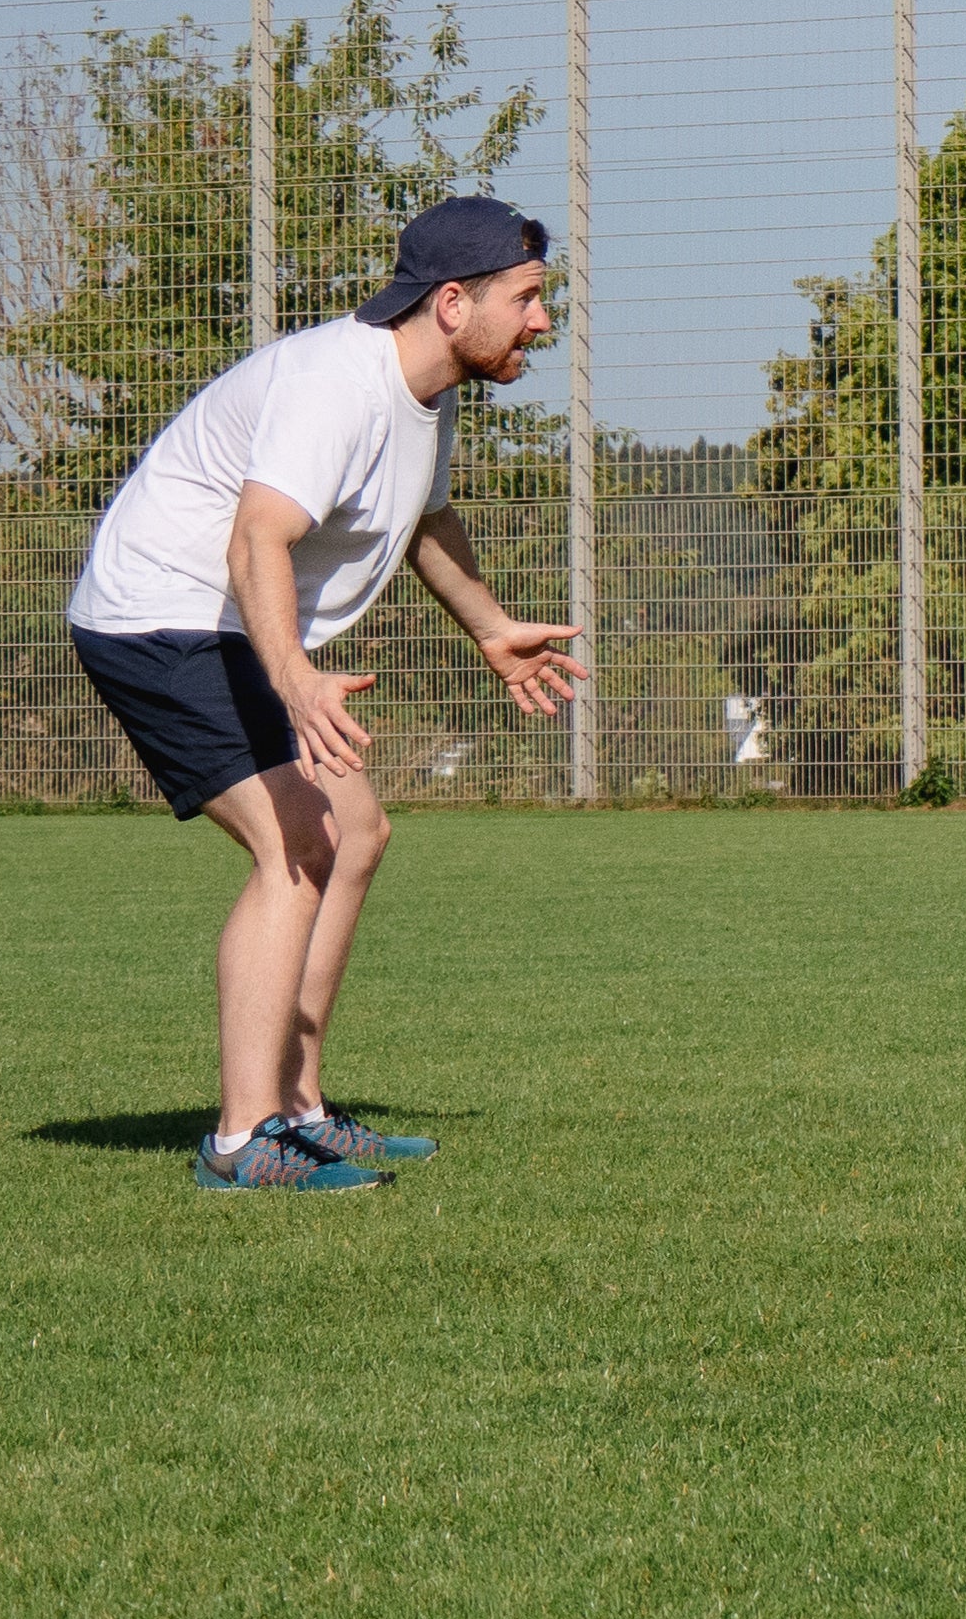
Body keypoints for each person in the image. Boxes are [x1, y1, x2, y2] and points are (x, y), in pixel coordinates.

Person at [63, 193, 585, 1191]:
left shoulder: (426, 394)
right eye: (525, 298)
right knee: (299, 845)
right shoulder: (336, 387)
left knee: (357, 830)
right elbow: (257, 533)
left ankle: (298, 1108)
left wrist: (491, 628)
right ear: (449, 303)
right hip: (157, 614)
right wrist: (294, 678)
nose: (541, 320)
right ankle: (240, 1140)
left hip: (219, 617)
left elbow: (427, 521)